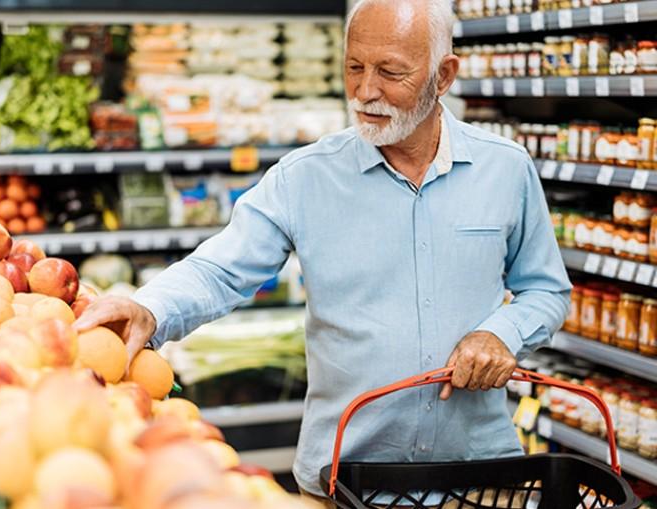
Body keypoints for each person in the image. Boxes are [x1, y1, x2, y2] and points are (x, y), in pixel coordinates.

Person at [74, 0, 571, 506]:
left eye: (390, 72)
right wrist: (150, 307)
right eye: (354, 67)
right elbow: (220, 270)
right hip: (349, 481)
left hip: (483, 477)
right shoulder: (305, 177)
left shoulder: (504, 169)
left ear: (443, 76)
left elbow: (546, 289)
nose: (366, 91)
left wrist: (501, 333)